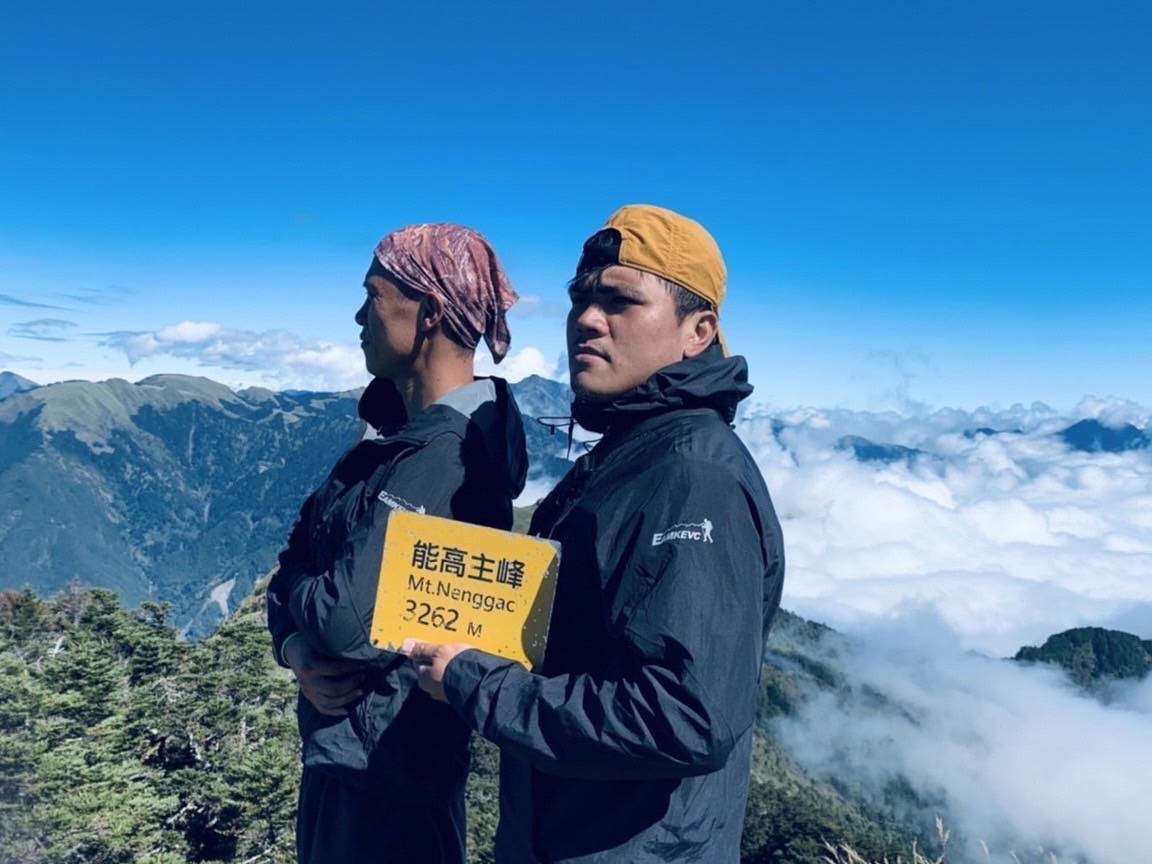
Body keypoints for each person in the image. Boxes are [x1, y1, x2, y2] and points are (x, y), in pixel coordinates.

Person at [407, 205, 785, 862]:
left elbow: (686, 716)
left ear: (698, 331)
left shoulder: (691, 476)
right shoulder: (633, 454)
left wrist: (477, 682)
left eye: (619, 301)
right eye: (581, 298)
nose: (585, 318)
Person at [266, 223, 528, 864]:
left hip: (388, 788)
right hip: (358, 762)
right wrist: (294, 643)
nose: (360, 317)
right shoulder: (397, 440)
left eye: (373, 296)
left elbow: (345, 624)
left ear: (430, 312)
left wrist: (303, 606)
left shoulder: (446, 459)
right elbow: (296, 564)